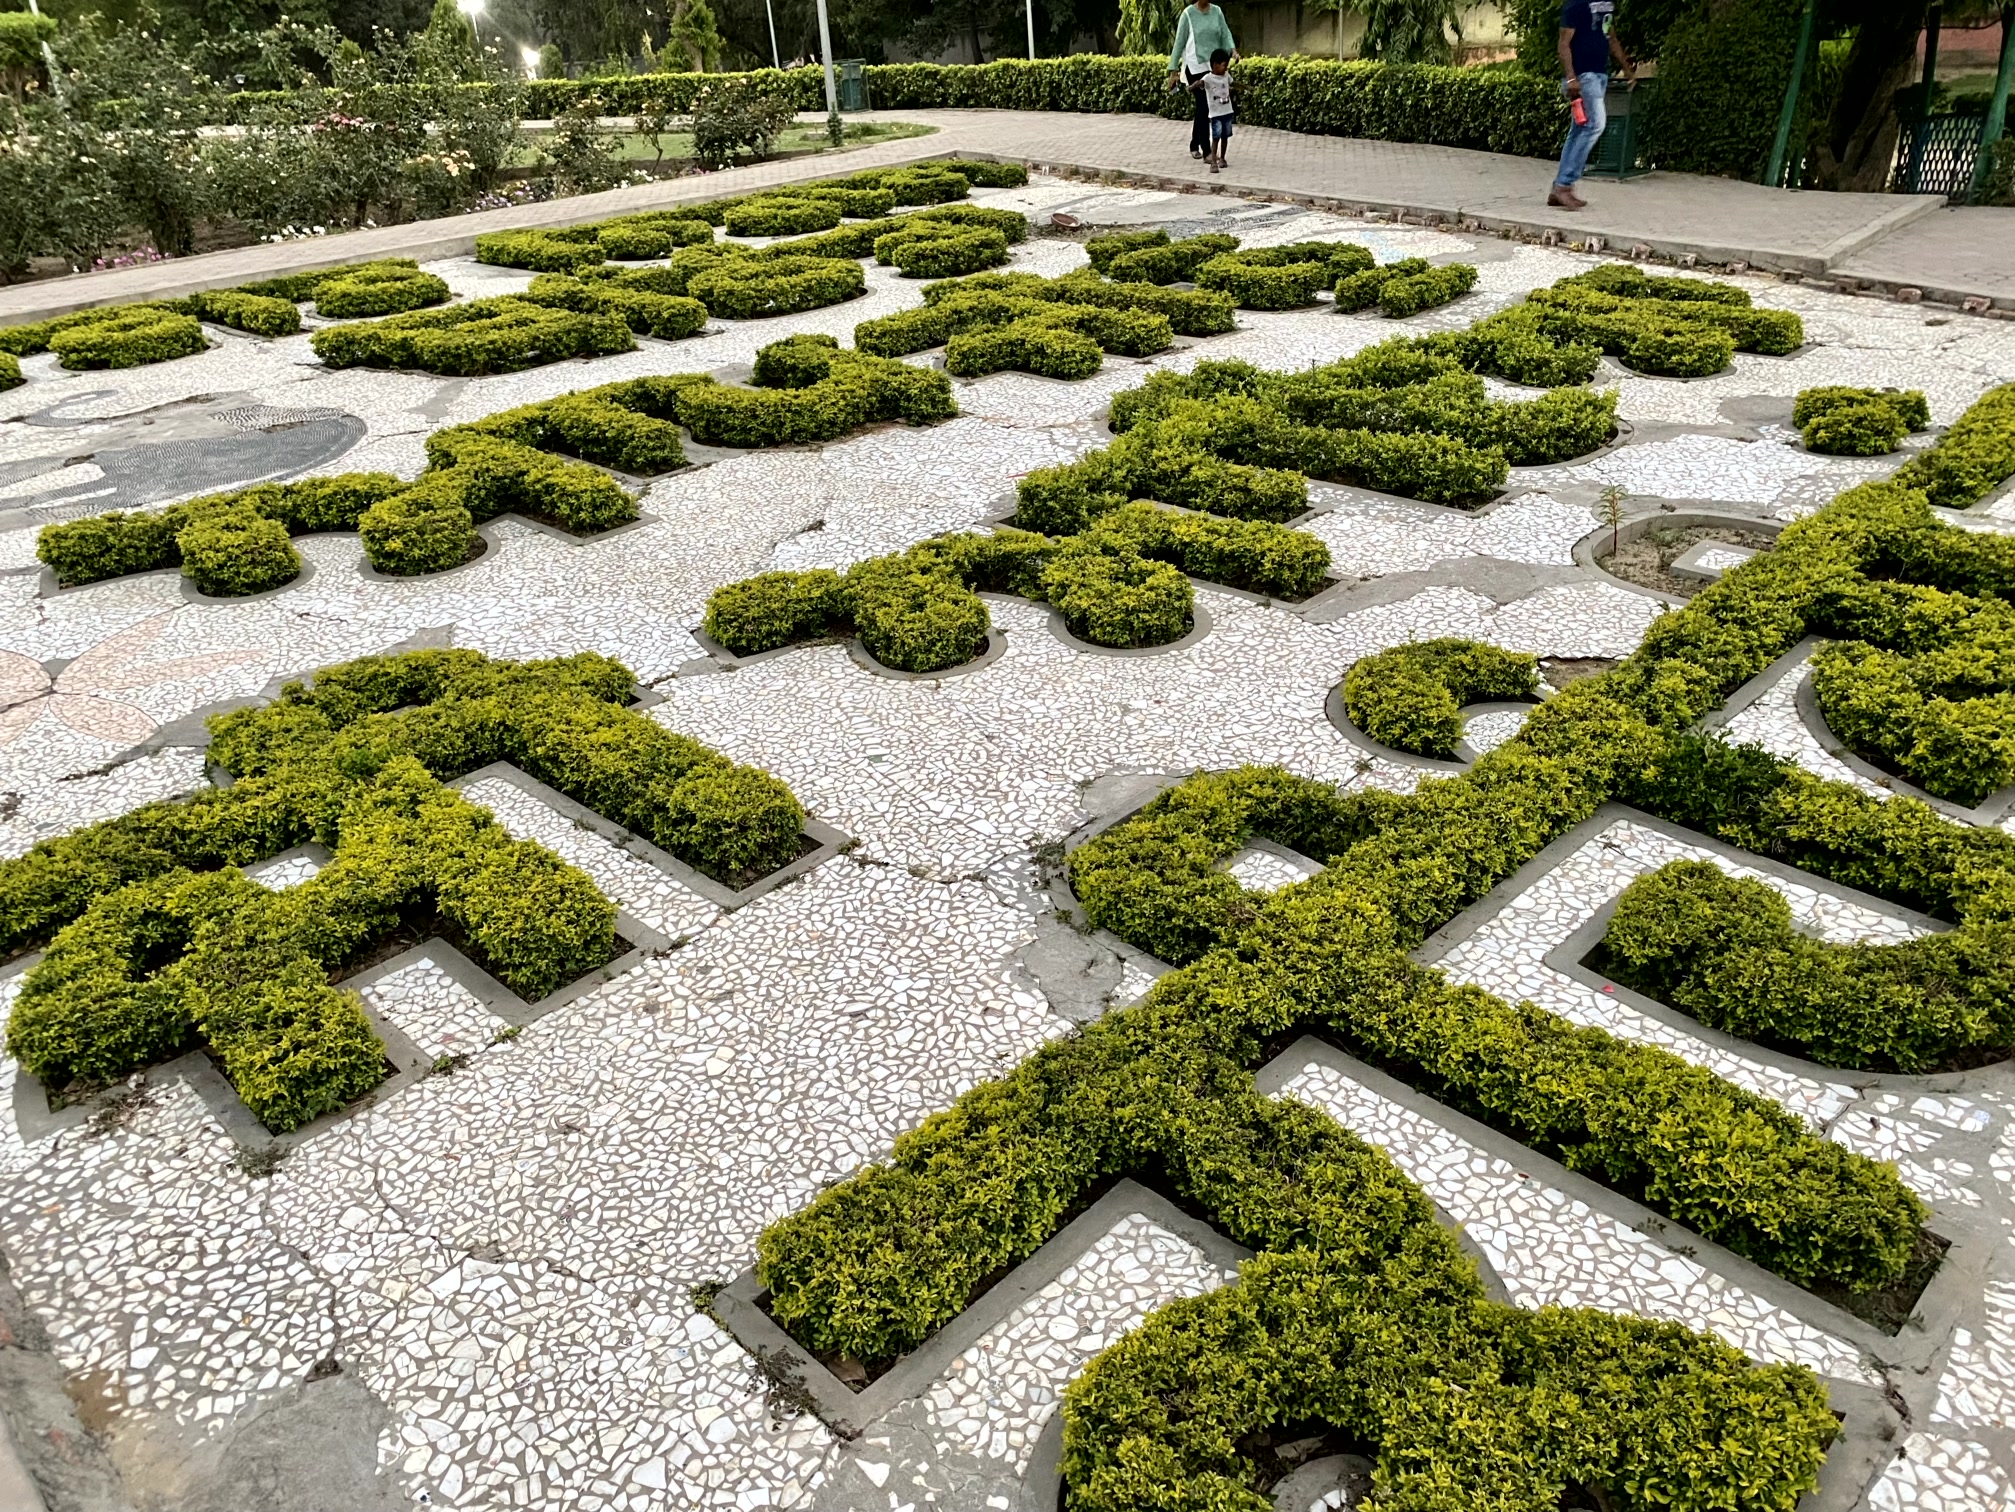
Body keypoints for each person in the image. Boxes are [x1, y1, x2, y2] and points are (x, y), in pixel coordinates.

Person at [1550, 0, 1634, 209]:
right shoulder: (1576, 4)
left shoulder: (1607, 4)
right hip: (1583, 75)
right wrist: (1571, 77)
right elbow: (1563, 42)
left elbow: (1610, 36)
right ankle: (1564, 185)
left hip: (1599, 73)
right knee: (1595, 125)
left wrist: (1627, 69)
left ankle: (1559, 188)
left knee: (1579, 129)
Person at [1166, 0, 1236, 161]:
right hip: (1195, 66)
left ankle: (1194, 144)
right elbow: (1179, 43)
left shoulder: (1217, 11)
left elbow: (1225, 34)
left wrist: (1232, 51)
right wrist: (1173, 70)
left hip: (1212, 66)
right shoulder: (1188, 14)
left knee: (1202, 108)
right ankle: (1207, 151)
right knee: (1204, 106)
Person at [1200, 48, 1234, 172]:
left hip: (1227, 111)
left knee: (1225, 136)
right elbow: (1200, 83)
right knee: (1216, 137)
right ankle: (1213, 161)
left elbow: (1233, 84)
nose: (1226, 68)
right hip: (1216, 114)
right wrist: (1191, 87)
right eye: (1224, 65)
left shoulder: (1226, 76)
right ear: (1215, 65)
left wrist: (1246, 88)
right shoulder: (1208, 78)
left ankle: (1222, 158)